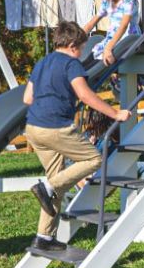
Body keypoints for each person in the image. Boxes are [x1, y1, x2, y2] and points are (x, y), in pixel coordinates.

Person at [23, 21, 131, 252]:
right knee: (94, 160)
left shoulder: (42, 63)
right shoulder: (71, 63)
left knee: (59, 184)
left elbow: (28, 98)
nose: (81, 52)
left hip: (33, 128)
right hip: (55, 127)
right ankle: (47, 186)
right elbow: (85, 94)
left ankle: (44, 237)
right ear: (72, 46)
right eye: (81, 48)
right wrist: (115, 113)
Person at [83, 0, 141, 67]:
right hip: (112, 38)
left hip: (127, 38)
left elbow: (124, 25)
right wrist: (75, 39)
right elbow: (91, 23)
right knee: (87, 62)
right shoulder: (107, 1)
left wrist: (108, 48)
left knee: (99, 62)